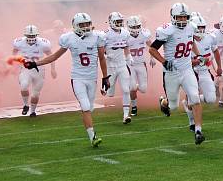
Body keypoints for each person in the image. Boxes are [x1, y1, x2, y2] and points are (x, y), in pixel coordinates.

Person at [24, 13, 109, 147]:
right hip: (78, 78)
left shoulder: (97, 37)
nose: (86, 27)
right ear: (75, 26)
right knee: (86, 107)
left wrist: (105, 77)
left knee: (90, 108)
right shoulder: (69, 38)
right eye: (83, 24)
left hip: (92, 78)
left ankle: (90, 128)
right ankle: (93, 137)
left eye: (88, 23)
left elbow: (102, 58)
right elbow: (54, 56)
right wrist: (36, 64)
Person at [149, 3, 205, 145]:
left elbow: (191, 42)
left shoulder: (191, 27)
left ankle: (198, 130)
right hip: (171, 72)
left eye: (184, 17)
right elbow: (152, 50)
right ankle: (163, 102)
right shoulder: (167, 30)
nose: (182, 19)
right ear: (173, 16)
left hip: (187, 70)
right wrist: (163, 61)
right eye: (179, 16)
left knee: (195, 98)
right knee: (173, 106)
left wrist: (198, 55)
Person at [12, 25, 57, 117]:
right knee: (24, 86)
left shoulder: (43, 43)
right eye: (29, 36)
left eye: (33, 36)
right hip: (26, 68)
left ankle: (32, 111)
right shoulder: (19, 42)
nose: (31, 38)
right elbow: (14, 51)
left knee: (35, 94)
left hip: (39, 70)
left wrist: (53, 69)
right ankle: (25, 105)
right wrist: (15, 62)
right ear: (25, 35)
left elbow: (51, 56)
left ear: (36, 35)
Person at [187, 14, 222, 129]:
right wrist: (198, 61)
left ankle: (189, 101)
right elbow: (183, 62)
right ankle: (192, 122)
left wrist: (219, 67)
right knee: (194, 99)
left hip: (205, 71)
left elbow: (216, 51)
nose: (201, 30)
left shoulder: (210, 37)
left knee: (211, 99)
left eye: (203, 27)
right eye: (198, 27)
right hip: (191, 72)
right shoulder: (186, 39)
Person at [102, 12, 133, 124]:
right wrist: (105, 55)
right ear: (111, 22)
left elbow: (126, 45)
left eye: (120, 21)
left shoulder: (125, 33)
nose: (119, 23)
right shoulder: (105, 34)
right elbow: (100, 49)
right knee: (110, 93)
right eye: (117, 21)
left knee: (126, 89)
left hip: (122, 65)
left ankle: (126, 115)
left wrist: (128, 56)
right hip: (110, 66)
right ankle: (105, 88)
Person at [126, 15, 155, 116]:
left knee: (143, 89)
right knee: (132, 87)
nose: (136, 29)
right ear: (128, 26)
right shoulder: (125, 36)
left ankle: (132, 86)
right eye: (133, 27)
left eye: (137, 26)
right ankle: (134, 106)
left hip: (141, 64)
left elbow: (151, 46)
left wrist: (152, 57)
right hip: (130, 65)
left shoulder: (144, 34)